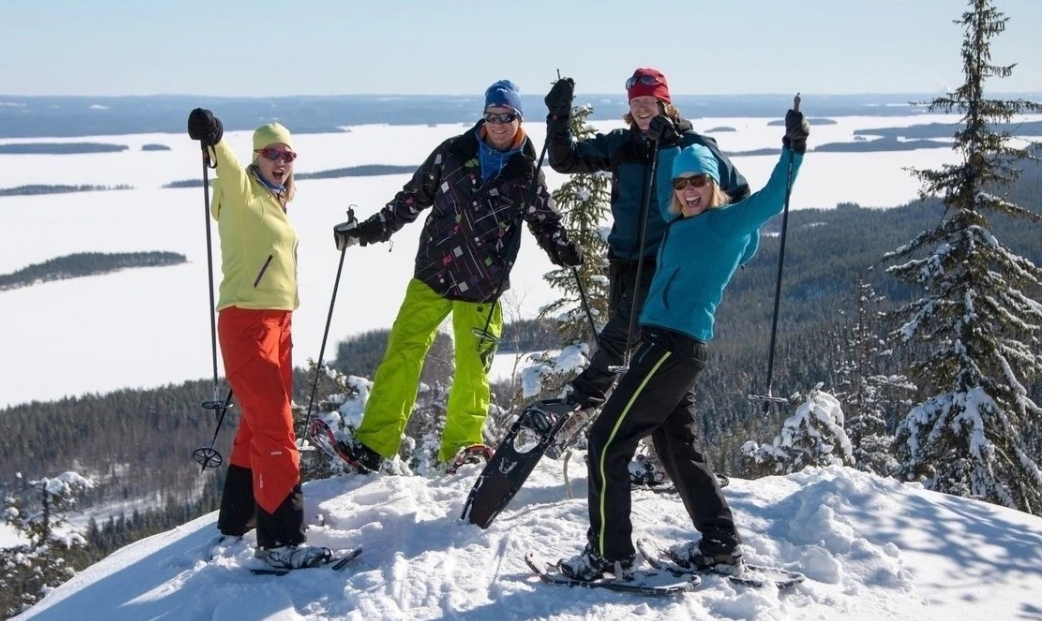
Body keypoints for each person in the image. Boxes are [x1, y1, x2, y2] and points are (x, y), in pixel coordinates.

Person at [555, 106, 810, 581]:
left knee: (606, 440)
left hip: (673, 347)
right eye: (681, 184)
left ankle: (609, 555)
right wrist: (666, 144)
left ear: (713, 184)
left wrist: (792, 149)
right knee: (677, 450)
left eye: (698, 182)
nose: (688, 191)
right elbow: (656, 181)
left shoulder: (726, 223)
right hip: (668, 346)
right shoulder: (677, 225)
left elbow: (773, 197)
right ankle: (720, 544)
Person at [330, 80, 583, 472]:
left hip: (483, 285)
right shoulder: (453, 153)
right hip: (433, 273)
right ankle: (374, 445)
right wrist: (366, 232)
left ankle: (463, 450)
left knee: (472, 369)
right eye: (492, 116)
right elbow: (409, 200)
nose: (498, 124)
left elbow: (545, 221)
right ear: (483, 116)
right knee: (402, 354)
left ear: (519, 119)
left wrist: (562, 249)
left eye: (507, 117)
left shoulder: (526, 173)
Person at [543, 69, 750, 441]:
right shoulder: (622, 144)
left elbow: (740, 194)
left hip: (668, 264)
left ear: (664, 102)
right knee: (651, 361)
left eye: (649, 101)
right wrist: (559, 116)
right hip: (623, 260)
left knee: (620, 339)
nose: (642, 109)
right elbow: (565, 160)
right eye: (636, 102)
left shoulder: (693, 146)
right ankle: (672, 450)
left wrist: (721, 241)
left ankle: (582, 400)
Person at [186, 109, 331, 570]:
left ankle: (238, 519)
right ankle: (282, 541)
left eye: (287, 154)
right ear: (256, 157)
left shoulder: (274, 200)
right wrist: (214, 139)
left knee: (257, 422)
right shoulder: (243, 190)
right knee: (276, 427)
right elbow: (225, 164)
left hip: (278, 325)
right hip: (247, 324)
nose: (281, 161)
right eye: (272, 154)